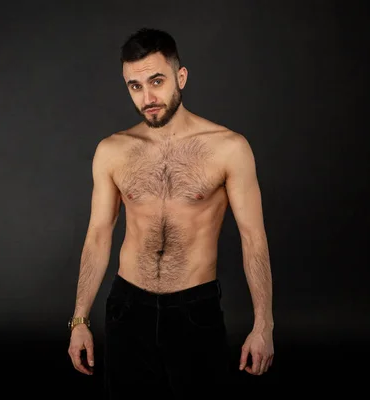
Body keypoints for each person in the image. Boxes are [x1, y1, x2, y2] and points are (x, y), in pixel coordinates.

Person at [67, 28, 274, 396]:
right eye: (134, 86)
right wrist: (80, 319)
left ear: (181, 77)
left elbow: (253, 238)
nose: (147, 97)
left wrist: (263, 326)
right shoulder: (113, 150)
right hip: (128, 307)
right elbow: (99, 234)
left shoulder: (228, 148)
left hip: (195, 308)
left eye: (156, 81)